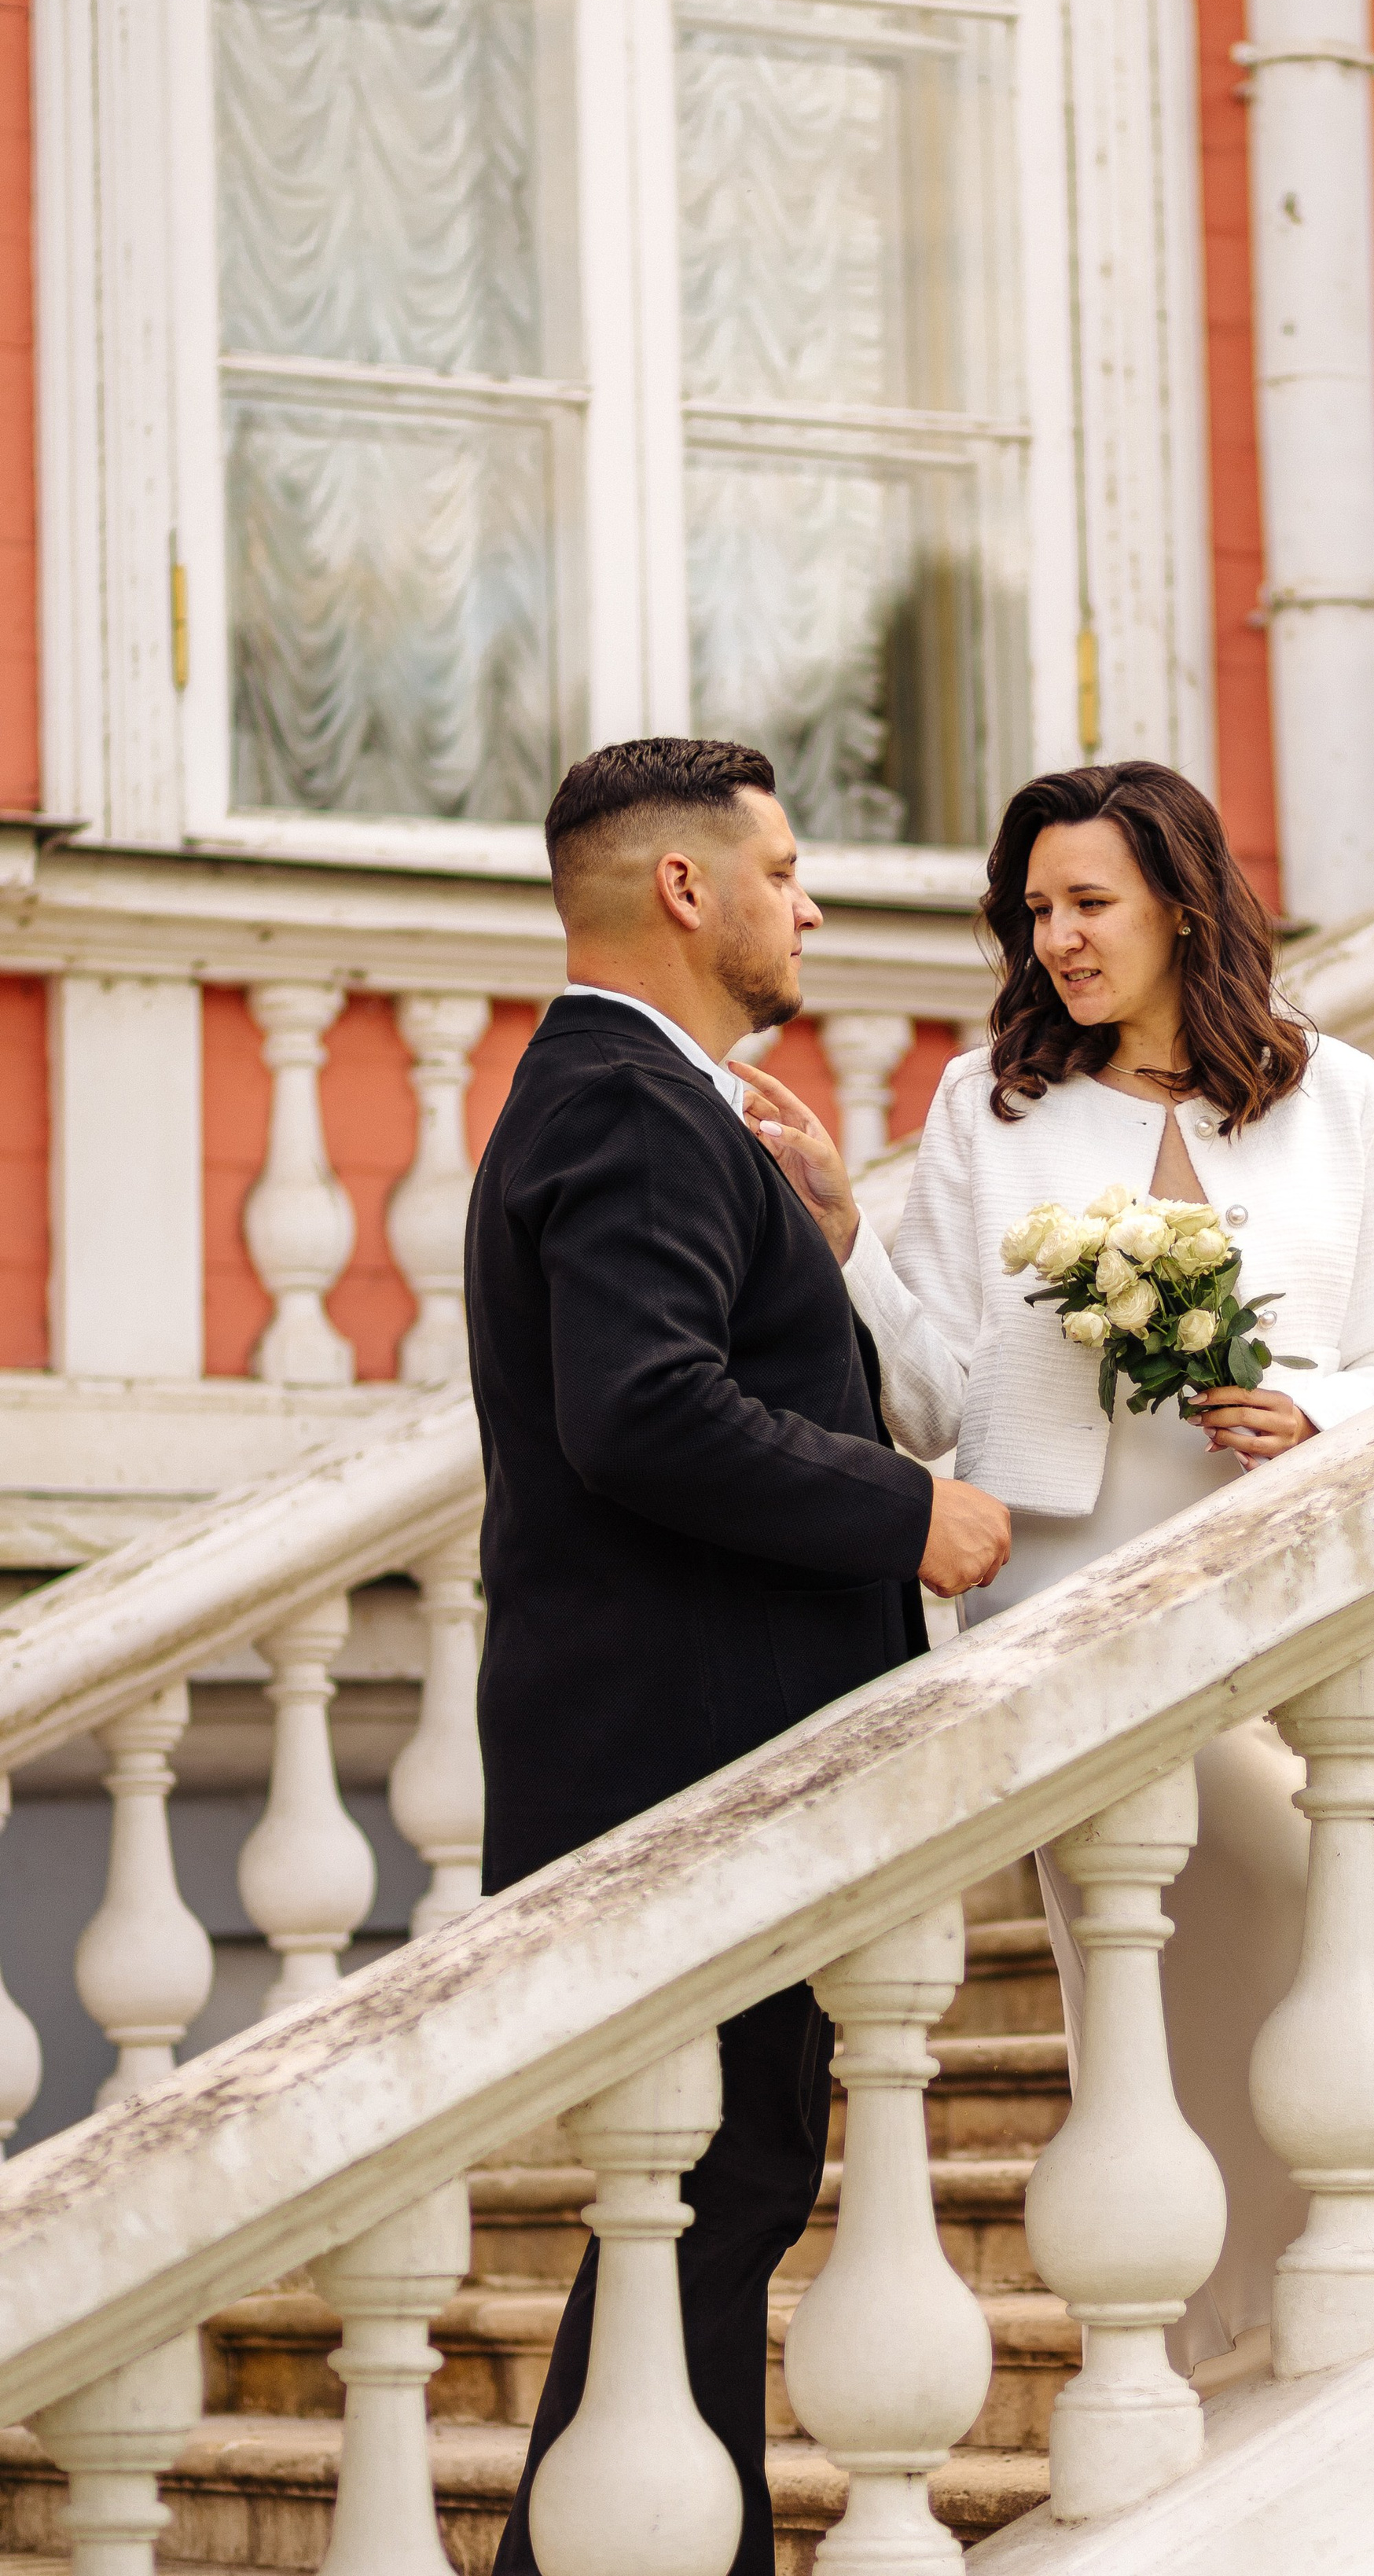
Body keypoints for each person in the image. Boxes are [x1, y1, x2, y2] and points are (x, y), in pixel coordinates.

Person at [738, 758, 1374, 2382]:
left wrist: (1313, 1404)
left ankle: (1314, 2306)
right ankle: (1210, 2325)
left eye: (1087, 903)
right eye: (1034, 910)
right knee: (1141, 1960)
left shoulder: (1326, 1092)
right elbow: (923, 1396)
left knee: (1293, 1903)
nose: (1053, 938)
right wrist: (849, 1234)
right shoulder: (988, 1107)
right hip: (1065, 1594)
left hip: (1267, 1587)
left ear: (1179, 906)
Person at [467, 734, 1012, 2576]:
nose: (813, 905)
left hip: (698, 1749)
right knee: (714, 2192)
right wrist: (901, 1509)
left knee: (711, 2197)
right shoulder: (627, 1103)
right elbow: (643, 1414)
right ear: (685, 889)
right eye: (785, 870)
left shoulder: (642, 1098)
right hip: (695, 1765)